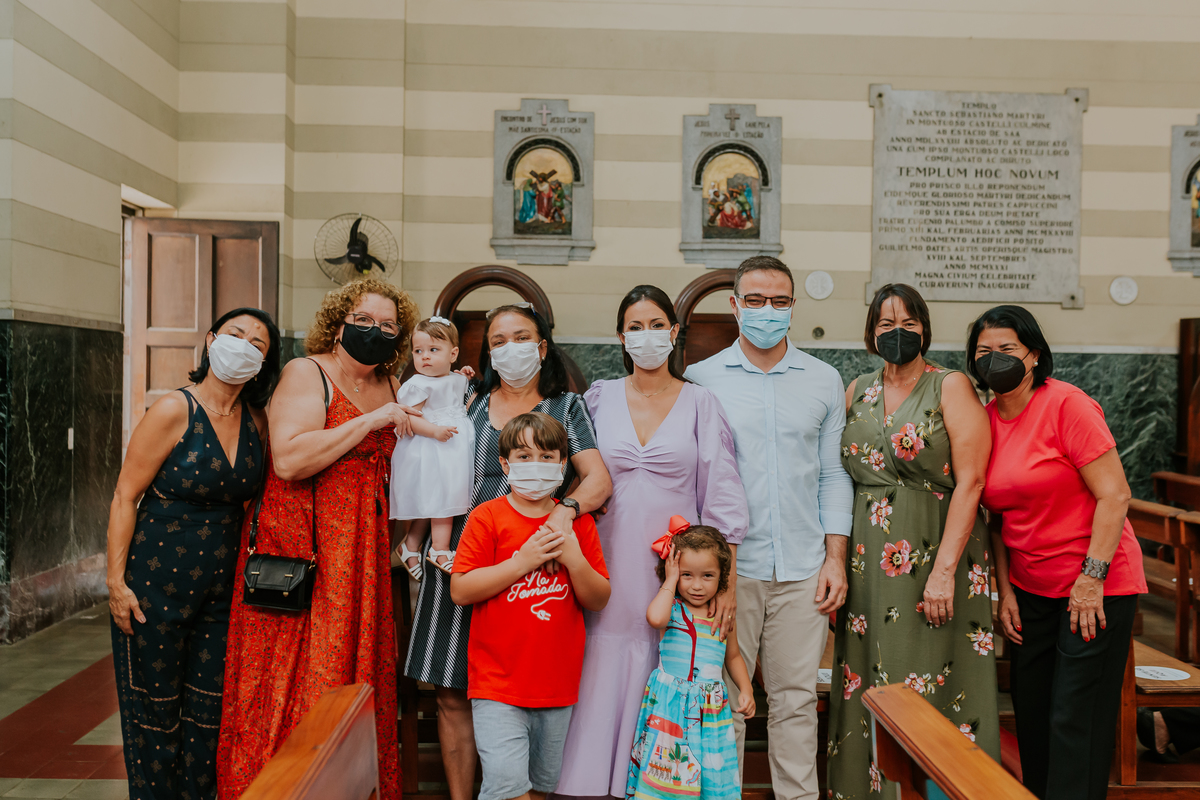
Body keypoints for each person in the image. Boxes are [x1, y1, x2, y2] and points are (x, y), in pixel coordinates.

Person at [217, 279, 421, 800]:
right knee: (294, 676)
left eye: (387, 325)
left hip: (365, 552)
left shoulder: (393, 384)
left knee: (356, 676)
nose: (374, 330)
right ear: (339, 321)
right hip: (306, 551)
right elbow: (288, 459)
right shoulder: (308, 372)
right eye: (364, 319)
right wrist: (374, 421)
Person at [405, 303, 612, 800]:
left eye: (522, 337)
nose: (510, 348)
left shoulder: (565, 407)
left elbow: (598, 480)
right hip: (460, 552)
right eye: (499, 340)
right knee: (452, 691)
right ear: (487, 352)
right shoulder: (468, 397)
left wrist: (565, 512)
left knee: (519, 691)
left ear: (542, 347)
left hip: (539, 558)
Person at [557, 285, 748, 799]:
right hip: (607, 557)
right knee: (600, 661)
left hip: (676, 575)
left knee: (660, 658)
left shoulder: (700, 403)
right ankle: (591, 782)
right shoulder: (597, 397)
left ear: (673, 332)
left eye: (656, 325)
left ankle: (651, 783)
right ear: (621, 337)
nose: (647, 336)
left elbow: (723, 496)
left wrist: (724, 582)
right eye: (635, 327)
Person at [684, 256, 853, 800]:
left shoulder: (824, 380)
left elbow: (832, 475)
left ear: (793, 308)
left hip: (804, 568)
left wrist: (835, 558)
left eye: (779, 301)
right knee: (726, 702)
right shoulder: (701, 380)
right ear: (735, 306)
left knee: (796, 703)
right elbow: (695, 479)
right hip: (731, 572)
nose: (767, 311)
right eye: (754, 301)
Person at [826, 284, 998, 797]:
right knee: (870, 679)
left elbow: (971, 482)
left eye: (906, 322)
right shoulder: (858, 388)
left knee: (926, 678)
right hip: (866, 561)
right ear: (870, 332)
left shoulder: (951, 386)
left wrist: (943, 571)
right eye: (884, 323)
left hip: (933, 554)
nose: (896, 332)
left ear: (924, 327)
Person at [974, 305, 1146, 800]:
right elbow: (997, 518)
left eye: (1007, 349)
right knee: (1032, 714)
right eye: (984, 352)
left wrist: (1091, 581)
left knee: (1076, 718)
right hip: (1030, 589)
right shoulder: (986, 421)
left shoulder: (1068, 405)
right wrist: (1004, 592)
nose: (994, 359)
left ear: (1034, 354)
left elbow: (1114, 494)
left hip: (1095, 586)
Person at [107, 307, 280, 800]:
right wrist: (116, 584)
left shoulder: (257, 420)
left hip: (222, 588)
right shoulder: (173, 410)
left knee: (210, 713)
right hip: (155, 581)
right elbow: (125, 496)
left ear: (265, 362)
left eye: (258, 343)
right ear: (210, 340)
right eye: (235, 334)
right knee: (156, 713)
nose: (244, 345)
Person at [450, 412, 611, 800]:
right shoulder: (487, 517)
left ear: (562, 464)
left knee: (540, 789)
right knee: (507, 789)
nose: (534, 465)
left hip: (557, 688)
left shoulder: (579, 526)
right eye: (523, 457)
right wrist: (522, 562)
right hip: (497, 686)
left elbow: (599, 598)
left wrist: (573, 557)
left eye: (546, 456)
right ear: (504, 464)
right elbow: (461, 589)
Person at [626, 519, 755, 800]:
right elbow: (654, 618)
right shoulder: (670, 608)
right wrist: (671, 580)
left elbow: (732, 656)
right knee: (668, 778)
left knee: (711, 777)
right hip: (670, 709)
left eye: (707, 576)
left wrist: (746, 689)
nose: (697, 585)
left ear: (722, 577)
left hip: (710, 713)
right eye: (687, 575)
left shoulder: (722, 615)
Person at [391, 316, 475, 579]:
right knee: (443, 500)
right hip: (431, 448)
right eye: (418, 351)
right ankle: (440, 549)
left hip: (452, 448)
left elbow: (458, 392)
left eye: (433, 350)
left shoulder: (455, 377)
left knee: (435, 501)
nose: (425, 357)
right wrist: (434, 431)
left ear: (453, 354)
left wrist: (465, 376)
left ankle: (410, 545)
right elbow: (410, 418)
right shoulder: (417, 384)